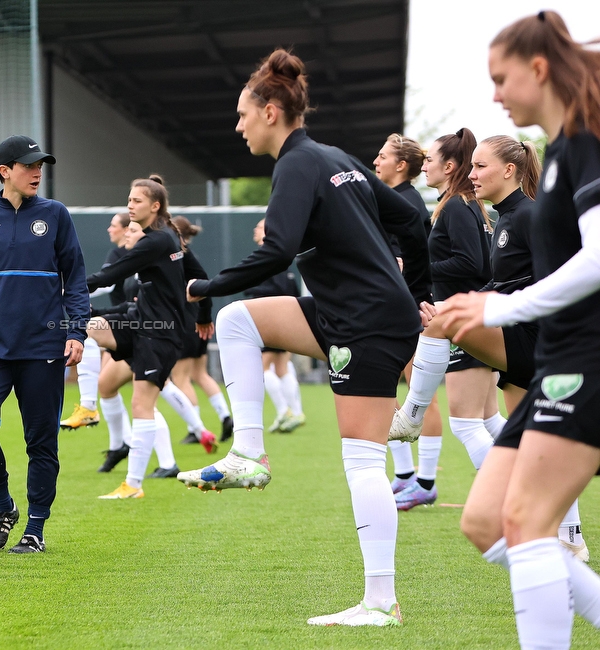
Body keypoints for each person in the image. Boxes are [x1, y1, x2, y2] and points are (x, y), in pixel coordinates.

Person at [179, 48, 430, 627]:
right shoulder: (332, 156)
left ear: (271, 111)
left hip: (366, 320)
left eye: (242, 115)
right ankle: (248, 452)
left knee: (363, 460)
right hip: (348, 311)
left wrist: (204, 286)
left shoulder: (299, 163)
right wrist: (411, 289)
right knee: (241, 320)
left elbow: (278, 250)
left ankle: (380, 603)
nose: (238, 126)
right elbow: (413, 223)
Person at [440, 12, 600, 647]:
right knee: (486, 522)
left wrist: (497, 308)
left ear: (538, 70)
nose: (495, 95)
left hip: (587, 359)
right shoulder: (563, 151)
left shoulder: (586, 140)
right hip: (556, 365)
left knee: (529, 524)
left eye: (501, 78)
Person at [407, 133, 589, 562]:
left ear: (510, 170)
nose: (472, 175)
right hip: (520, 338)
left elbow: (553, 281)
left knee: (444, 324)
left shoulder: (528, 216)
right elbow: (502, 282)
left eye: (480, 167)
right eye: (471, 167)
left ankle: (411, 415)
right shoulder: (504, 218)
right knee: (534, 440)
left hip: (534, 338)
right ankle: (571, 538)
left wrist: (465, 309)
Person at [0, 135, 90, 554]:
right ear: (4, 171)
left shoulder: (56, 215)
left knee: (41, 441)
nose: (37, 172)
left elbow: (76, 280)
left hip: (43, 346)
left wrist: (76, 332)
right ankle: (4, 507)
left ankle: (36, 529)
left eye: (40, 165)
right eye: (28, 165)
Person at [389, 128, 497, 511]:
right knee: (492, 422)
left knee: (466, 425)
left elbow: (474, 263)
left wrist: (420, 265)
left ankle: (516, 497)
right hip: (471, 318)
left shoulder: (456, 205)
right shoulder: (462, 204)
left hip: (467, 323)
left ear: (449, 166)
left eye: (431, 160)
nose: (426, 165)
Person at [84, 174, 205, 499]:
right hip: (141, 325)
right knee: (82, 326)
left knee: (142, 404)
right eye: (129, 199)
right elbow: (200, 277)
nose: (129, 205)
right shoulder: (167, 237)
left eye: (136, 200)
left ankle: (133, 485)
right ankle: (87, 406)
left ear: (155, 205)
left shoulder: (156, 241)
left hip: (159, 334)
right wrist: (204, 317)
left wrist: (71, 289)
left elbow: (112, 274)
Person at [373, 134, 445, 488]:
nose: (375, 161)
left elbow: (406, 261)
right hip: (399, 309)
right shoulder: (393, 199)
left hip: (411, 310)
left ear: (401, 165)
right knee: (391, 390)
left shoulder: (407, 203)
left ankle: (425, 483)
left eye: (382, 156)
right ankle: (405, 476)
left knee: (419, 397)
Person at [60, 212, 132, 431]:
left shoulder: (146, 251)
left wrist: (70, 293)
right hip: (131, 323)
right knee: (107, 386)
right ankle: (119, 444)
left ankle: (200, 431)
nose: (109, 230)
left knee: (145, 402)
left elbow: (107, 282)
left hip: (150, 329)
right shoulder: (138, 255)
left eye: (114, 225)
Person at [164, 216, 232, 446]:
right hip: (198, 322)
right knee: (200, 374)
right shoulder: (193, 259)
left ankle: (196, 428)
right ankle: (225, 416)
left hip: (183, 323)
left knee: (181, 378)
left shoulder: (175, 258)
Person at [241, 219, 305, 433]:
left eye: (258, 227)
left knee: (262, 368)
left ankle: (283, 410)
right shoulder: (284, 258)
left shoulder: (266, 255)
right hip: (287, 320)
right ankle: (296, 412)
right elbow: (293, 291)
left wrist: (250, 291)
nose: (255, 230)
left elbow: (267, 287)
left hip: (270, 320)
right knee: (282, 368)